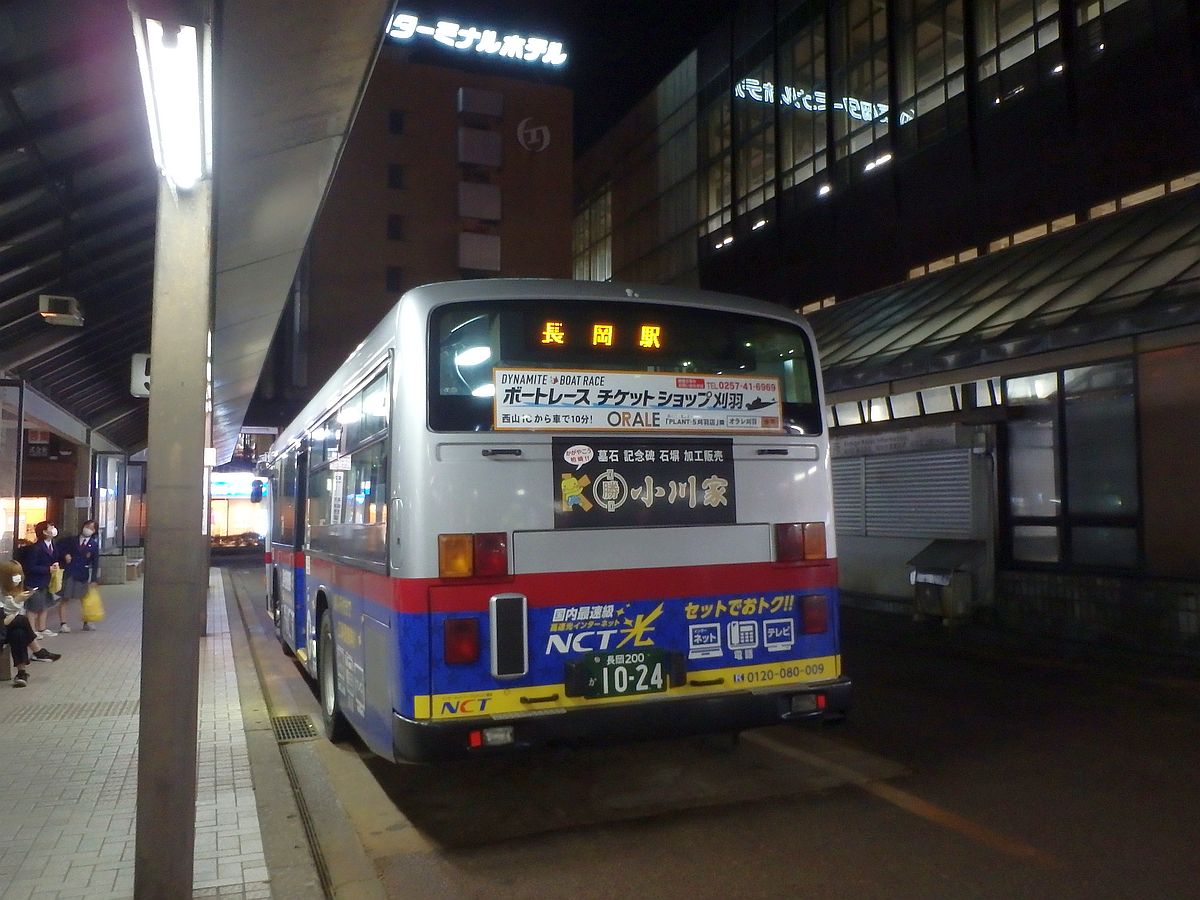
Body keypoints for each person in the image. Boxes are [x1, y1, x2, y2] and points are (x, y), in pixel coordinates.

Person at [2, 559, 62, 688]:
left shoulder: (16, 590)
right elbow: (4, 614)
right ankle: (38, 651)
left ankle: (21, 673)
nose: (18, 578)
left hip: (7, 629)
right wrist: (16, 602)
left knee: (19, 632)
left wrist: (17, 601)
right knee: (21, 620)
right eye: (14, 575)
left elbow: (11, 616)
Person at [22, 521, 63, 638]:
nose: (54, 529)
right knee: (33, 607)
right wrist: (47, 569)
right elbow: (30, 567)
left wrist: (56, 565)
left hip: (47, 581)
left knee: (45, 605)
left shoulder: (53, 544)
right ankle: (32, 631)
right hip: (34, 581)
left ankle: (42, 628)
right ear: (44, 531)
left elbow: (56, 558)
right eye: (51, 527)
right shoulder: (36, 548)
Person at [59, 519, 100, 632]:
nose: (88, 529)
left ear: (94, 531)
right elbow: (59, 547)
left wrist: (94, 579)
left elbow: (96, 562)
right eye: (87, 526)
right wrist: (65, 555)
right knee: (65, 598)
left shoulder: (94, 545)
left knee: (84, 600)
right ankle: (63, 624)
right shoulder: (72, 540)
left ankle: (87, 622)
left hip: (83, 575)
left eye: (92, 528)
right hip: (70, 573)